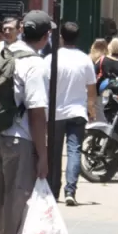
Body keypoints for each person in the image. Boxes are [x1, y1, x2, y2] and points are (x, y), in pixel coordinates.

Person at [0, 10, 51, 234]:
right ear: (46, 36)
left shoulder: (6, 52)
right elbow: (37, 114)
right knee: (17, 199)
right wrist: (44, 155)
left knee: (2, 200)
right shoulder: (35, 64)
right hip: (20, 138)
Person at [46, 21, 98, 207]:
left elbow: (45, 86)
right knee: (74, 150)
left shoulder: (52, 58)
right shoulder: (85, 60)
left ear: (61, 36)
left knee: (54, 153)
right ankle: (71, 191)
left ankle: (53, 191)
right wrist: (91, 109)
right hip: (77, 112)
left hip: (56, 113)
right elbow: (91, 89)